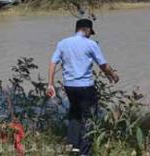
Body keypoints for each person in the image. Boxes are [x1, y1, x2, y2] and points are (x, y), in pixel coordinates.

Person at [47, 19, 119, 156]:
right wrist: (113, 75)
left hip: (69, 87)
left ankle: (74, 146)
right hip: (86, 87)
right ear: (86, 29)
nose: (90, 35)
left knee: (75, 113)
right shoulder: (91, 44)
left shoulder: (63, 43)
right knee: (89, 117)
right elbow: (103, 65)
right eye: (90, 32)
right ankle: (85, 152)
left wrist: (50, 84)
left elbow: (53, 62)